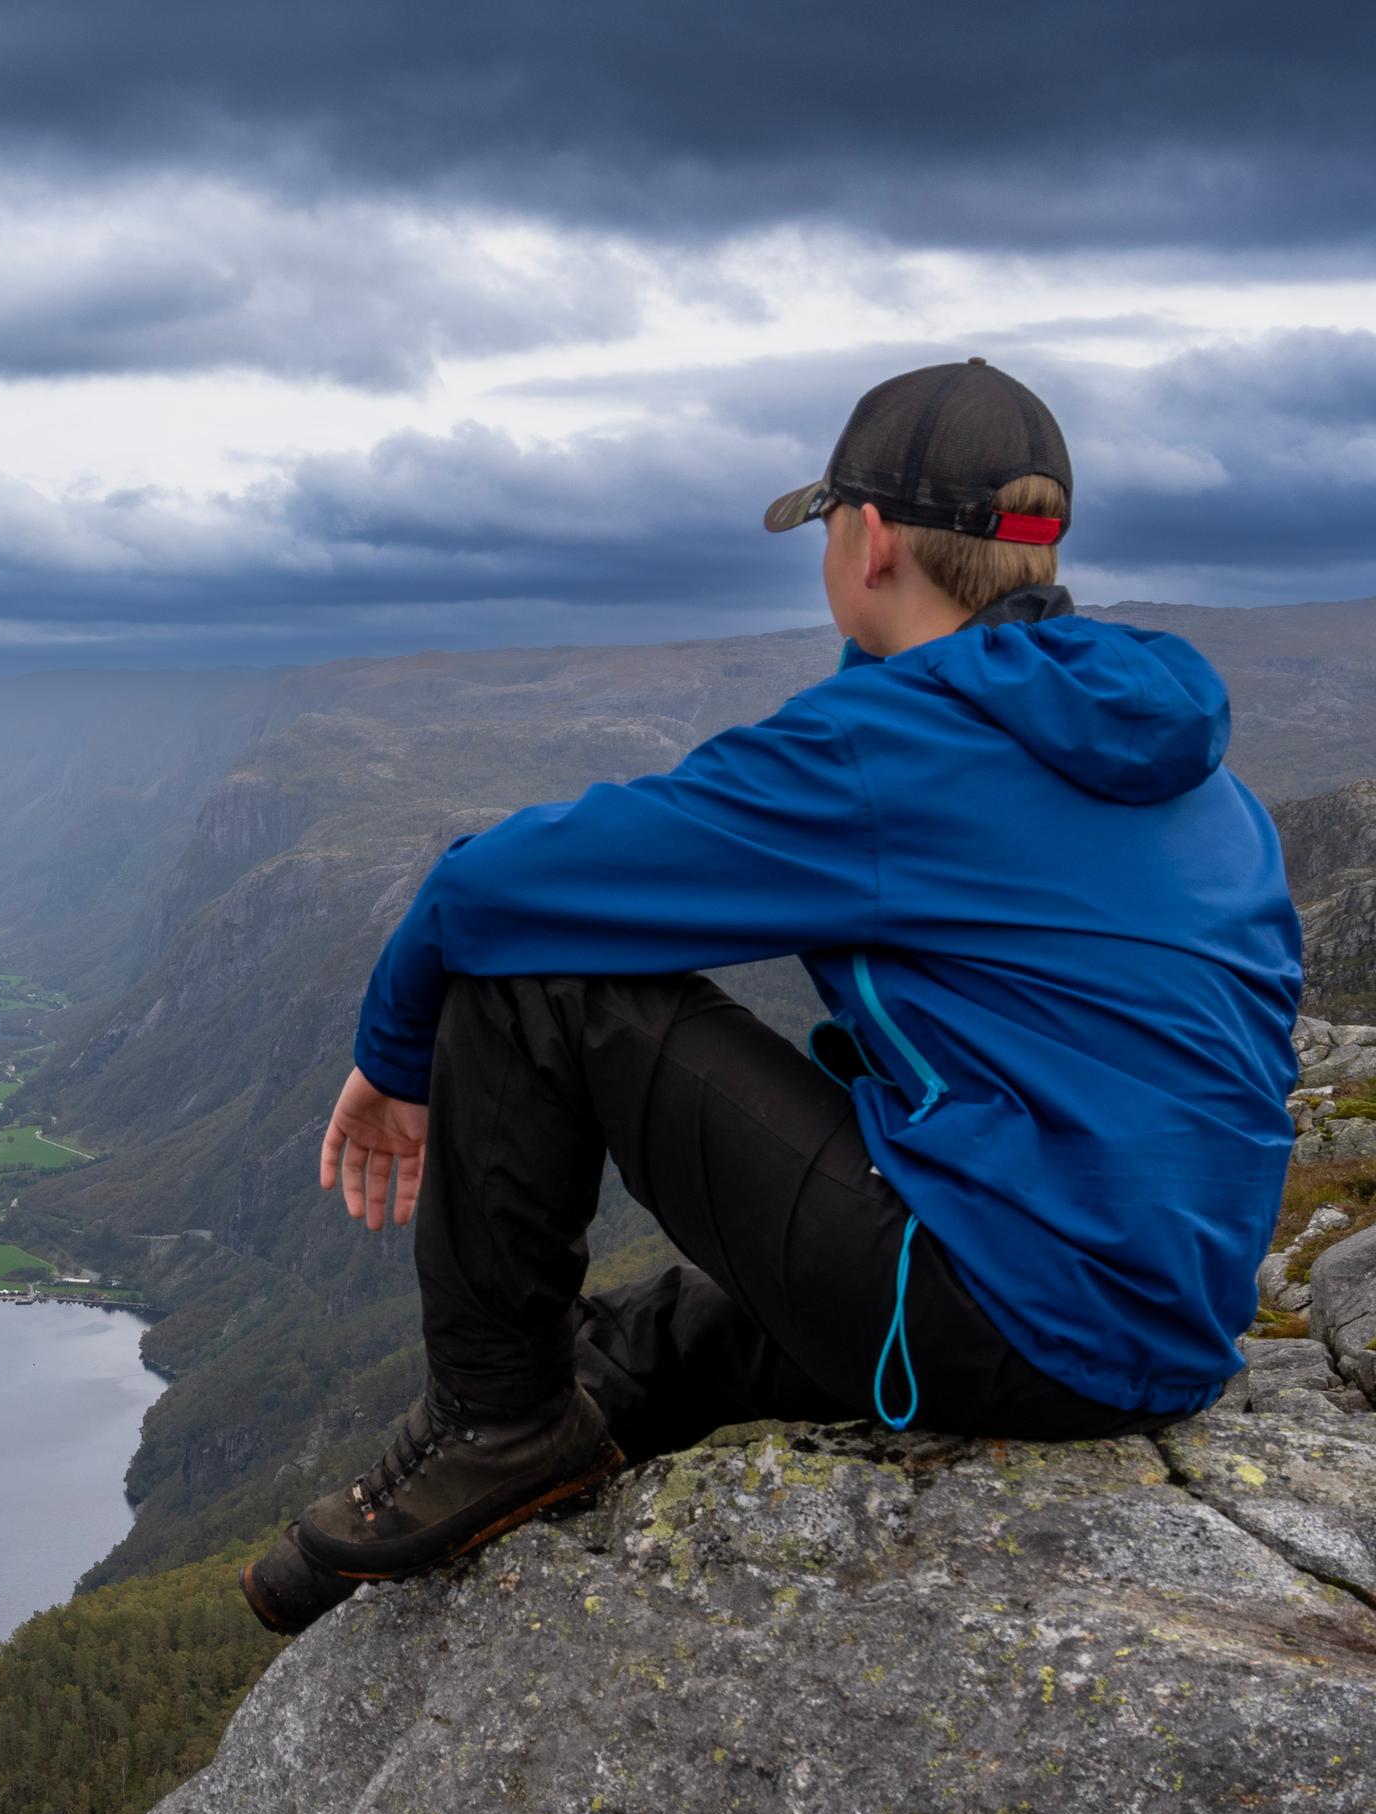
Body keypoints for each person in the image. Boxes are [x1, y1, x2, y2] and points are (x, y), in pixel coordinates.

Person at [244, 358, 1301, 1633]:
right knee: (656, 1339)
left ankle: (494, 1423)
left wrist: (395, 1057)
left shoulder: (888, 751)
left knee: (540, 979)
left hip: (1011, 1314)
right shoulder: (1202, 779)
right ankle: (362, 1559)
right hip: (1160, 1334)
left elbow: (492, 893)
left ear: (868, 543)